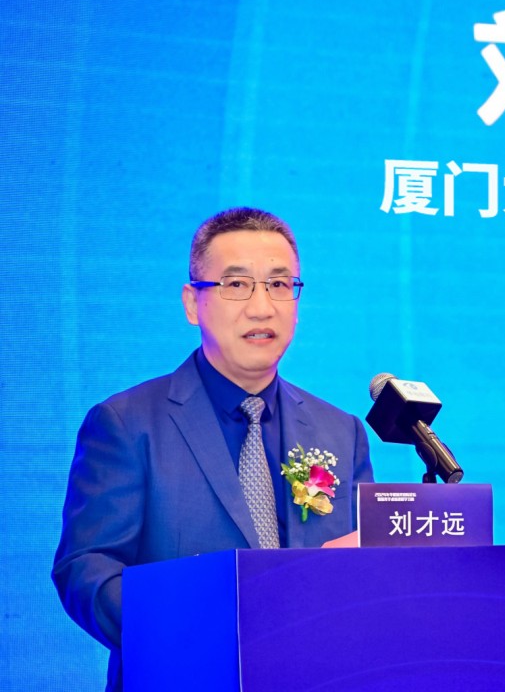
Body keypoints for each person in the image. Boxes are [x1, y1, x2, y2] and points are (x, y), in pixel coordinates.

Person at [52, 208, 374, 691]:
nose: (262, 307)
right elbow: (86, 571)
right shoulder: (127, 423)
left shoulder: (340, 432)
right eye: (236, 285)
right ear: (192, 303)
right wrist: (204, 634)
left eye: (279, 285)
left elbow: (367, 572)